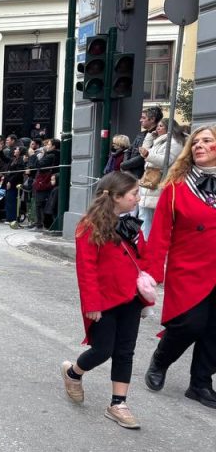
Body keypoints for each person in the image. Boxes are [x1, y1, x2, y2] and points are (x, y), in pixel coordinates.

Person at [61, 171, 152, 429]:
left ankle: (118, 403)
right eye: (134, 193)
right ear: (116, 196)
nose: (138, 198)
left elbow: (142, 258)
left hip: (131, 297)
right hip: (104, 300)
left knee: (125, 350)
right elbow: (86, 268)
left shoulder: (133, 223)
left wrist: (147, 286)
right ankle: (73, 372)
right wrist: (92, 304)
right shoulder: (89, 225)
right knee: (103, 350)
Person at [144, 124, 216, 409]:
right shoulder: (176, 188)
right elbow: (160, 233)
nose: (199, 145)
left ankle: (200, 384)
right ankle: (161, 360)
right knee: (189, 323)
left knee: (214, 330)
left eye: (207, 141)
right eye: (195, 142)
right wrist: (151, 273)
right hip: (189, 268)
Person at [139, 119, 185, 237]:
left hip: (158, 182)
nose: (157, 128)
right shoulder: (159, 141)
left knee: (152, 218)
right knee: (145, 217)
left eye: (161, 126)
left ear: (169, 128)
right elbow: (143, 150)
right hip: (150, 181)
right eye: (157, 126)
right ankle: (145, 244)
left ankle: (148, 244)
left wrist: (148, 155)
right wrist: (150, 135)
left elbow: (166, 161)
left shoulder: (174, 142)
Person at [4, 144, 28, 227]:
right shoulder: (14, 159)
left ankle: (13, 218)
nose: (14, 150)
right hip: (9, 181)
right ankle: (8, 217)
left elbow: (18, 173)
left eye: (16, 149)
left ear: (20, 151)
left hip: (15, 183)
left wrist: (10, 181)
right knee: (8, 200)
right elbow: (5, 161)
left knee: (13, 201)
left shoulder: (21, 160)